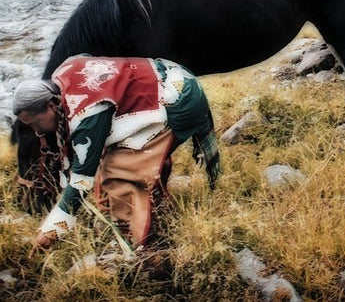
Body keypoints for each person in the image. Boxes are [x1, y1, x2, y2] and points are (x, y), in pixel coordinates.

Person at [12, 55, 220, 249]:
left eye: (35, 123)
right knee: (117, 160)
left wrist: (51, 231)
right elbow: (85, 59)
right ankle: (154, 197)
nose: (37, 131)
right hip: (171, 75)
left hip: (179, 98)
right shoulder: (63, 70)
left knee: (119, 173)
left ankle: (138, 245)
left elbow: (81, 180)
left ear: (50, 106)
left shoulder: (87, 114)